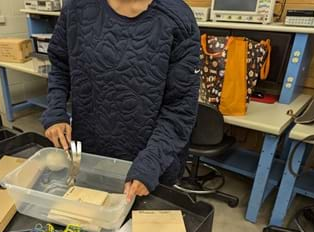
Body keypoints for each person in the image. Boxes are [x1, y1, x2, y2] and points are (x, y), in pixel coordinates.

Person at [42, 0, 200, 201]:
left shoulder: (178, 18)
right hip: (90, 156)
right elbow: (60, 66)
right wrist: (55, 111)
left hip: (149, 165)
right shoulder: (76, 7)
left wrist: (152, 161)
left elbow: (180, 108)